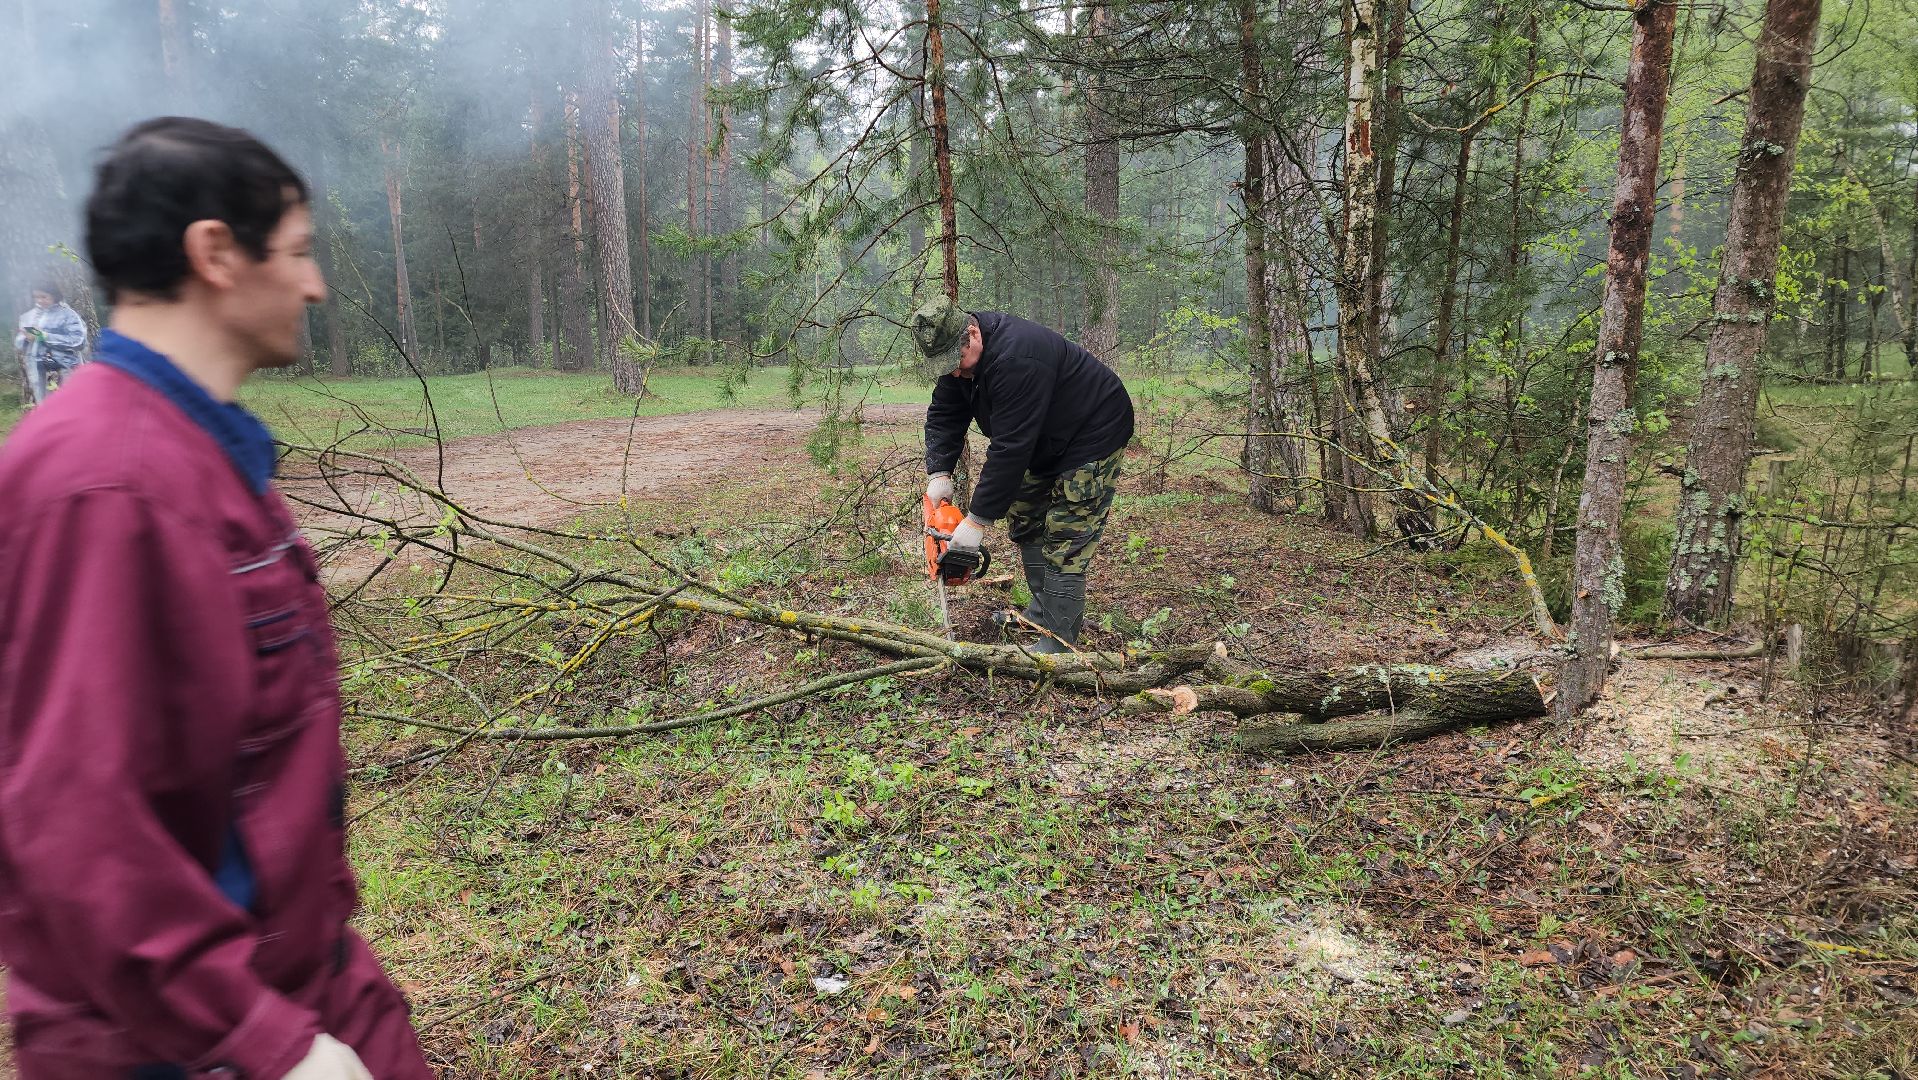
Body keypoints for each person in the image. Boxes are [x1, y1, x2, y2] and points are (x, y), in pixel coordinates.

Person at [0, 118, 434, 1079]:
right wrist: (265, 1045)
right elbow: (76, 822)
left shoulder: (199, 454)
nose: (316, 283)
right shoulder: (105, 485)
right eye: (300, 252)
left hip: (301, 986)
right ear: (215, 254)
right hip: (182, 1043)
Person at [913, 295, 1135, 653]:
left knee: (1067, 537)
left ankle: (1060, 642)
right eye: (945, 366)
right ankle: (1043, 613)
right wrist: (939, 471)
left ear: (972, 332)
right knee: (1026, 517)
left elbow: (1011, 447)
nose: (954, 371)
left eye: (957, 362)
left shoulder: (1018, 357)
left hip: (1091, 433)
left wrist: (976, 522)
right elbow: (944, 413)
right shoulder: (959, 359)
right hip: (1041, 439)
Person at [14, 278, 89, 405]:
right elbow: (19, 343)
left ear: (54, 295)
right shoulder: (29, 316)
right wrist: (26, 338)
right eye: (36, 297)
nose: (39, 301)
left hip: (66, 370)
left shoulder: (68, 315)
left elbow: (78, 341)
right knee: (47, 409)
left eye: (44, 297)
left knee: (71, 405)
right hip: (39, 373)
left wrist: (45, 336)